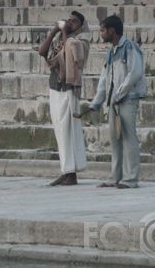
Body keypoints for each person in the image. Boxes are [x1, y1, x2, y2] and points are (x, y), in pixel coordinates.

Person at [89, 15, 146, 189]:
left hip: (128, 99)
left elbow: (135, 73)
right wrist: (96, 102)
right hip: (113, 102)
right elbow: (104, 79)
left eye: (102, 30)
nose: (101, 34)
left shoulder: (130, 47)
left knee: (129, 138)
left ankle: (131, 179)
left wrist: (119, 94)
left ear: (112, 31)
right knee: (115, 139)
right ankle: (116, 176)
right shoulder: (110, 52)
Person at [39, 11, 91, 186]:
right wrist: (54, 30)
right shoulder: (59, 39)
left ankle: (71, 173)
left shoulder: (80, 41)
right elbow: (42, 52)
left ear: (81, 26)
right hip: (55, 87)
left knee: (69, 131)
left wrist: (64, 32)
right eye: (69, 20)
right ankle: (66, 170)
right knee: (60, 132)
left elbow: (71, 53)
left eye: (74, 22)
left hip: (70, 89)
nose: (70, 23)